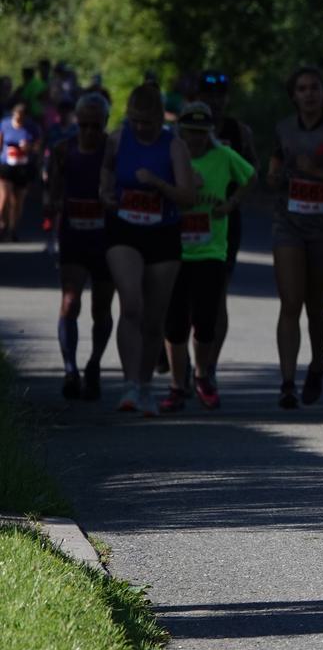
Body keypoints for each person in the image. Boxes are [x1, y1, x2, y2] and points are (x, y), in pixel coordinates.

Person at [101, 83, 197, 415]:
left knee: (155, 318)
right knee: (131, 304)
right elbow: (107, 172)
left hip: (162, 233)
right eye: (136, 121)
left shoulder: (174, 145)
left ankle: (144, 385)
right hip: (124, 228)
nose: (142, 128)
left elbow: (188, 196)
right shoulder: (118, 138)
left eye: (148, 122)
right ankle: (129, 385)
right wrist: (105, 193)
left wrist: (157, 183)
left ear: (160, 118)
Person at [158, 103, 256, 412]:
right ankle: (176, 384)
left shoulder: (223, 156)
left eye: (202, 133)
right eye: (190, 133)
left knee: (204, 319)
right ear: (181, 132)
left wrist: (231, 204)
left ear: (209, 133)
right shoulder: (170, 156)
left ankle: (202, 376)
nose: (196, 139)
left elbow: (251, 176)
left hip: (211, 250)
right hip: (175, 248)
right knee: (174, 322)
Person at [266, 66, 323, 408]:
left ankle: (316, 363)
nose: (309, 94)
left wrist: (316, 173)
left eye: (315, 87)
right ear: (293, 95)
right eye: (302, 89)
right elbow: (271, 169)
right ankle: (287, 382)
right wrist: (276, 176)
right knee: (290, 302)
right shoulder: (283, 129)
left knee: (315, 304)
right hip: (289, 224)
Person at [45, 92, 114, 399]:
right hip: (73, 237)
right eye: (83, 125)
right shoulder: (63, 151)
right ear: (76, 122)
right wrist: (54, 204)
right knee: (70, 301)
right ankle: (70, 369)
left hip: (106, 241)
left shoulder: (114, 152)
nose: (88, 131)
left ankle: (94, 364)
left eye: (95, 126)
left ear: (105, 124)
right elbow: (50, 195)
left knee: (102, 308)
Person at [197, 69, 257, 363]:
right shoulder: (182, 131)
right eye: (208, 95)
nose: (214, 101)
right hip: (184, 220)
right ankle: (176, 356)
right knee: (180, 293)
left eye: (220, 95)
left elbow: (252, 174)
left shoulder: (239, 131)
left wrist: (233, 202)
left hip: (224, 221)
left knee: (216, 296)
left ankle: (208, 367)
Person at [1, 100, 41, 240]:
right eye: (17, 116)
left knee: (18, 200)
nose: (19, 119)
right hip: (6, 165)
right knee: (6, 197)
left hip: (23, 167)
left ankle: (13, 228)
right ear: (13, 114)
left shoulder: (32, 128)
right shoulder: (5, 125)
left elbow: (38, 147)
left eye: (22, 117)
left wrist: (28, 147)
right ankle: (3, 223)